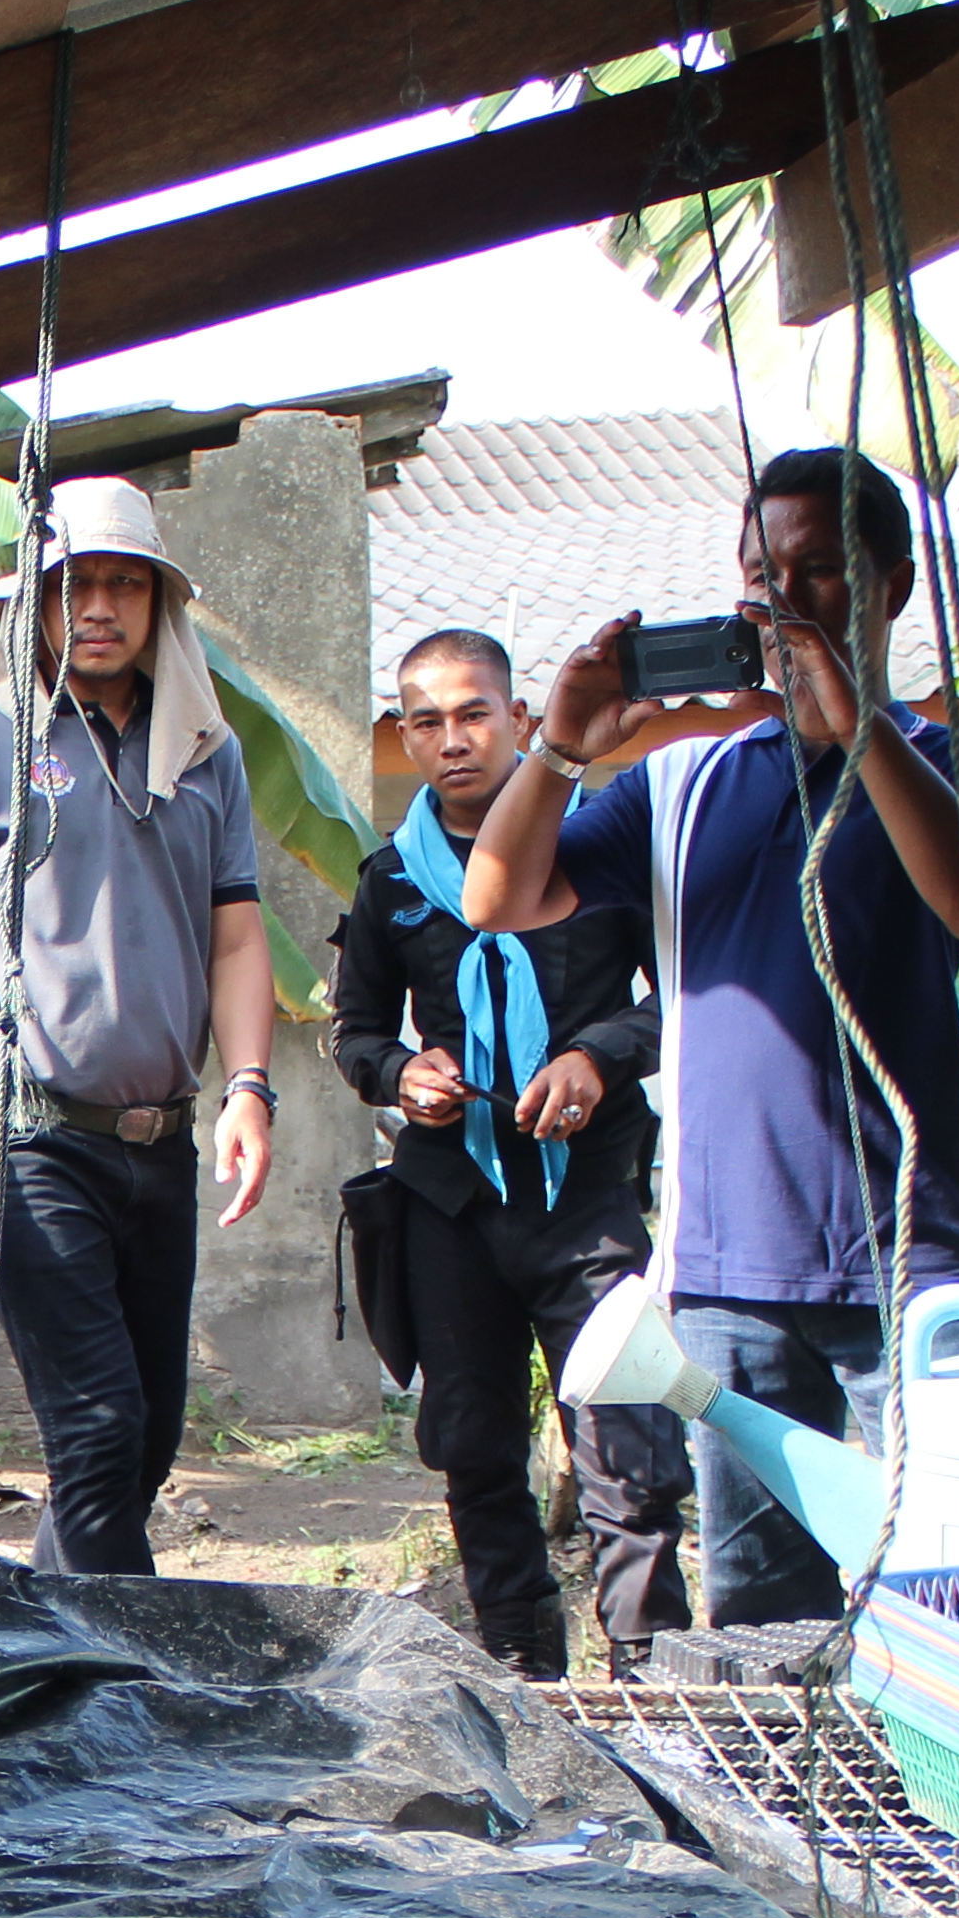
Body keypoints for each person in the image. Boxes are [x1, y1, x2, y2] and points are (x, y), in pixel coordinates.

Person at [458, 444, 959, 1628]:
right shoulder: (684, 783)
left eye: (817, 572)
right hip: (728, 1273)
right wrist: (562, 745)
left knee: (946, 1588)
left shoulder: (942, 763)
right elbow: (495, 896)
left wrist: (855, 723)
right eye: (759, 576)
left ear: (892, 586)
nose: (780, 602)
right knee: (758, 1616)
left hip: (910, 1260)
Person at [0, 476, 276, 1574]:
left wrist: (249, 1088)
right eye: (76, 584)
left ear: (159, 603)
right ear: (34, 600)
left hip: (159, 1137)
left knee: (146, 1441)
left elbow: (236, 940)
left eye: (128, 584)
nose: (101, 607)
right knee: (97, 1430)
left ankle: (35, 1632)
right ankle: (123, 1669)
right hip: (23, 1131)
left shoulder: (204, 750)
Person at [331, 629, 691, 1676]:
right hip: (450, 1207)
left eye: (474, 715)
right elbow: (354, 1032)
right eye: (428, 722)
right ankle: (522, 1678)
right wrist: (402, 1075)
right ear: (405, 738)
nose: (454, 740)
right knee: (476, 1452)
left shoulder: (602, 851)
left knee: (629, 1452)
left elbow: (680, 1000)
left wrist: (597, 1057)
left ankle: (648, 1686)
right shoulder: (392, 879)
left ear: (522, 721)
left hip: (589, 1201)